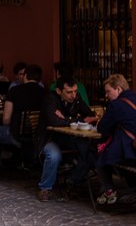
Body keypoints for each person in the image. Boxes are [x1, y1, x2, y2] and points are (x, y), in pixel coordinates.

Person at [36, 75, 98, 202]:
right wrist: (74, 120)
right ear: (59, 91)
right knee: (54, 155)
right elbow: (54, 121)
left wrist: (64, 118)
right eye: (69, 92)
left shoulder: (76, 98)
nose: (73, 95)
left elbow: (90, 115)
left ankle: (73, 181)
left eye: (75, 91)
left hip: (67, 137)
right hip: (49, 138)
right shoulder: (50, 99)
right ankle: (45, 188)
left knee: (90, 149)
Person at [0, 65, 46, 180]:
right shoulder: (45, 93)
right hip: (37, 137)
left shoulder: (15, 91)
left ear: (25, 76)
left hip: (16, 136)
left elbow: (6, 119)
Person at [95, 74, 136, 204]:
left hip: (131, 151)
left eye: (108, 91)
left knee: (100, 155)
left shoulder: (116, 105)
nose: (106, 95)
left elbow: (102, 128)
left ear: (118, 89)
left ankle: (109, 191)